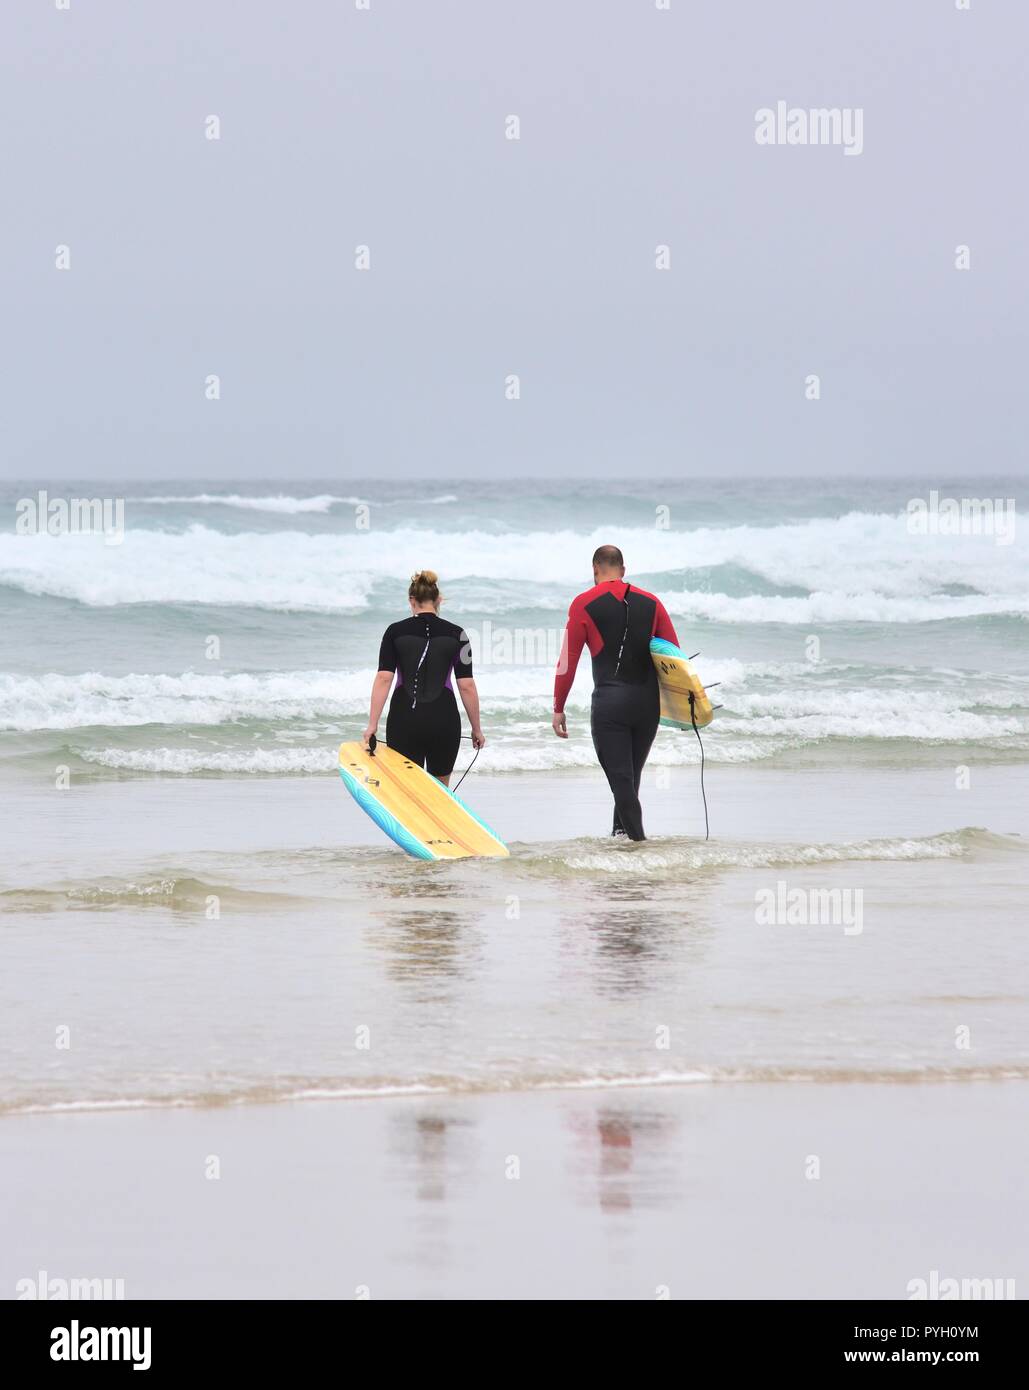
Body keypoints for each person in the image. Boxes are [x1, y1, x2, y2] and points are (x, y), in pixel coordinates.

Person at [552, 545, 678, 840]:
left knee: (622, 782)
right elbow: (674, 656)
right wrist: (683, 707)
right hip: (647, 707)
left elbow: (567, 662)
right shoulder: (652, 602)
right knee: (629, 783)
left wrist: (558, 706)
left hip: (611, 705)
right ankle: (621, 843)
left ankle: (639, 846)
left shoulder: (583, 603)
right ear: (623, 570)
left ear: (595, 570)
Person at [363, 570, 485, 785]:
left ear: (412, 600)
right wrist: (476, 728)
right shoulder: (458, 634)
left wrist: (372, 724)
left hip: (404, 721)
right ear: (438, 599)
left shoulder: (394, 631)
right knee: (439, 792)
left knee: (406, 789)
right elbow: (467, 685)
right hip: (444, 721)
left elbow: (384, 678)